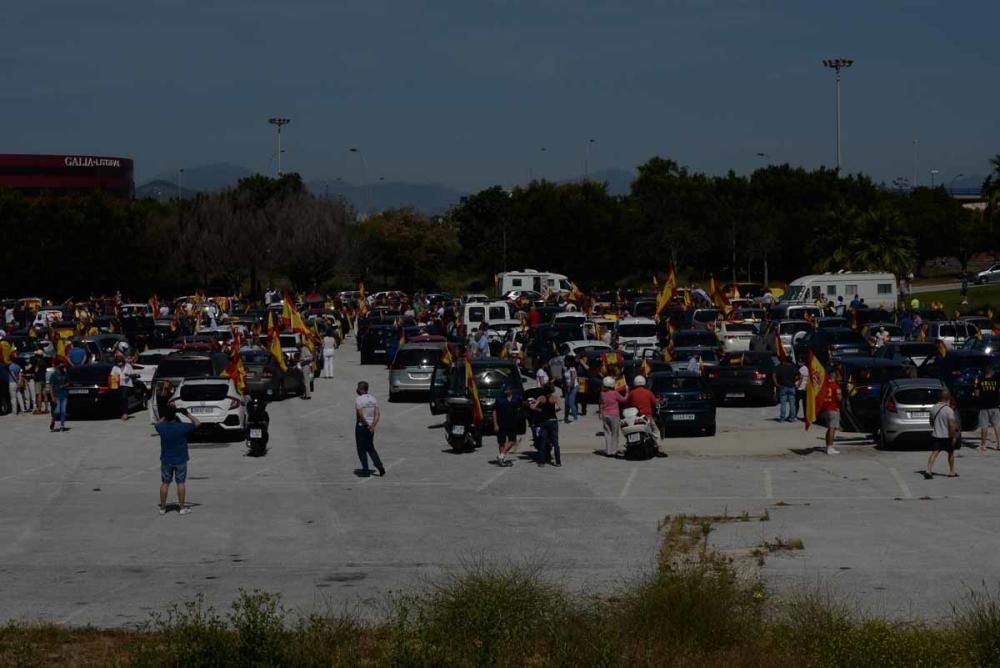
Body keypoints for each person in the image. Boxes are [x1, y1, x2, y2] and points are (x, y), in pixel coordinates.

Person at [156, 404, 201, 514]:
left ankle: (162, 508)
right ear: (175, 416)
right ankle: (181, 508)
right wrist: (186, 413)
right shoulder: (182, 427)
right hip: (181, 459)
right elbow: (197, 423)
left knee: (165, 483)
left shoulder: (162, 428)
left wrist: (166, 414)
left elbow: (157, 424)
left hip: (166, 459)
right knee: (180, 483)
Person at [925, 388, 959, 479]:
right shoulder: (949, 410)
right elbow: (952, 425)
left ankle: (928, 470)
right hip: (947, 436)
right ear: (948, 398)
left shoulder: (933, 408)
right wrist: (953, 437)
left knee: (934, 452)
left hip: (936, 434)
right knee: (951, 453)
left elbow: (931, 422)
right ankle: (951, 471)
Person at [354, 381, 385, 477]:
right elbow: (377, 413)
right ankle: (380, 467)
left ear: (360, 389)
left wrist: (367, 424)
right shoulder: (373, 399)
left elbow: (360, 415)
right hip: (371, 427)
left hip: (362, 427)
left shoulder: (359, 400)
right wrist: (373, 425)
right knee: (370, 447)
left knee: (361, 449)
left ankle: (365, 469)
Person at [492, 383, 521, 466]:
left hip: (512, 423)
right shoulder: (499, 399)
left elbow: (521, 406)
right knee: (501, 442)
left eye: (507, 389)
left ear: (511, 389)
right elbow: (494, 412)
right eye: (504, 389)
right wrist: (495, 424)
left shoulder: (516, 398)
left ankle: (501, 455)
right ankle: (502, 460)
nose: (506, 390)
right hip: (501, 423)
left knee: (512, 440)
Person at [533, 384, 561, 466]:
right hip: (553, 421)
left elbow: (533, 407)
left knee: (543, 442)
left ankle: (542, 462)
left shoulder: (541, 398)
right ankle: (558, 461)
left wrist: (540, 409)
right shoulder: (554, 398)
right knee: (556, 443)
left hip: (544, 421)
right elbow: (559, 408)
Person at [599, 376, 627, 456]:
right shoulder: (615, 393)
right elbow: (624, 400)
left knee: (607, 433)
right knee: (615, 434)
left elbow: (601, 404)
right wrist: (627, 392)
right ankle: (613, 451)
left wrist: (600, 413)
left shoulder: (602, 394)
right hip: (614, 415)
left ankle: (608, 451)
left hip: (605, 415)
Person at [977, 365, 1000, 452]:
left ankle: (983, 445)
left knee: (984, 427)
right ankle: (999, 444)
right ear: (992, 372)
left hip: (983, 406)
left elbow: (977, 393)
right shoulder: (996, 380)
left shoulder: (981, 380)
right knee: (997, 426)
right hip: (995, 405)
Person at [820, 370, 843, 455]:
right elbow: (839, 398)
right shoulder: (836, 386)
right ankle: (830, 447)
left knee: (829, 428)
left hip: (826, 408)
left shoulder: (825, 386)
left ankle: (827, 446)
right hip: (833, 408)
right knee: (832, 428)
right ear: (834, 377)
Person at [773, 357, 799, 423]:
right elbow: (799, 376)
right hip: (792, 387)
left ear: (785, 361)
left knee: (783, 404)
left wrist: (776, 383)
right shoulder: (793, 368)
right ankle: (792, 418)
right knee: (792, 404)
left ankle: (782, 418)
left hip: (783, 387)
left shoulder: (780, 367)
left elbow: (774, 375)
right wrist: (796, 382)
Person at [48, 361, 70, 431]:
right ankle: (53, 420)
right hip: (57, 395)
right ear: (57, 367)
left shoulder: (65, 374)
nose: (62, 368)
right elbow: (51, 387)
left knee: (63, 411)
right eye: (61, 367)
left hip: (64, 395)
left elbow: (68, 383)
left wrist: (64, 385)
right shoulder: (53, 375)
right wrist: (52, 397)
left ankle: (62, 425)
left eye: (63, 367)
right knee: (57, 411)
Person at [562, 355, 578, 423]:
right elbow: (564, 378)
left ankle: (575, 418)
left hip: (573, 387)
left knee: (571, 402)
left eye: (567, 361)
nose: (565, 362)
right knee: (566, 403)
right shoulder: (565, 368)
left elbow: (573, 379)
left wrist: (570, 387)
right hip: (567, 387)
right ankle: (566, 418)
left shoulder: (572, 368)